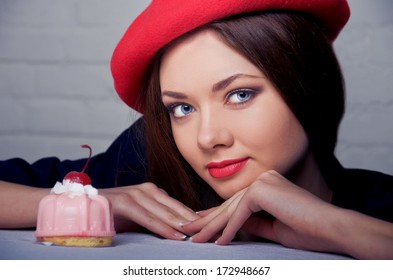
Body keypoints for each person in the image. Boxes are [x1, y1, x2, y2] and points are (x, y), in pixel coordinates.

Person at [1, 0, 393, 259]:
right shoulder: (149, 165)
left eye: (239, 95)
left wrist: (333, 225)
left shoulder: (378, 204)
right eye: (182, 108)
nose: (207, 138)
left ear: (309, 87)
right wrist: (87, 204)